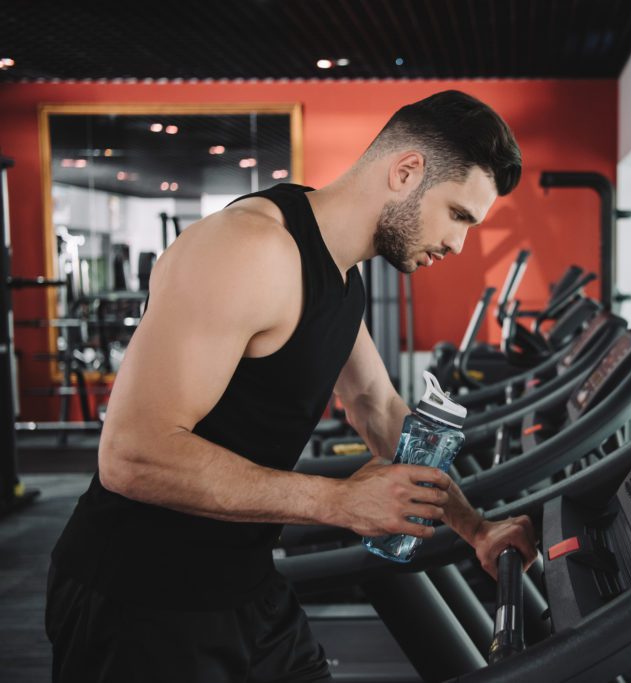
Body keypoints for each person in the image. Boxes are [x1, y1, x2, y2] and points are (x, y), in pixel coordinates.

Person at [45, 90, 537, 682]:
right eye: (458, 215)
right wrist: (339, 502)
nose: (459, 245)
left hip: (244, 586)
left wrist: (476, 528)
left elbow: (377, 408)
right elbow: (130, 454)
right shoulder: (250, 250)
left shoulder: (341, 269)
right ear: (406, 171)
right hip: (138, 599)